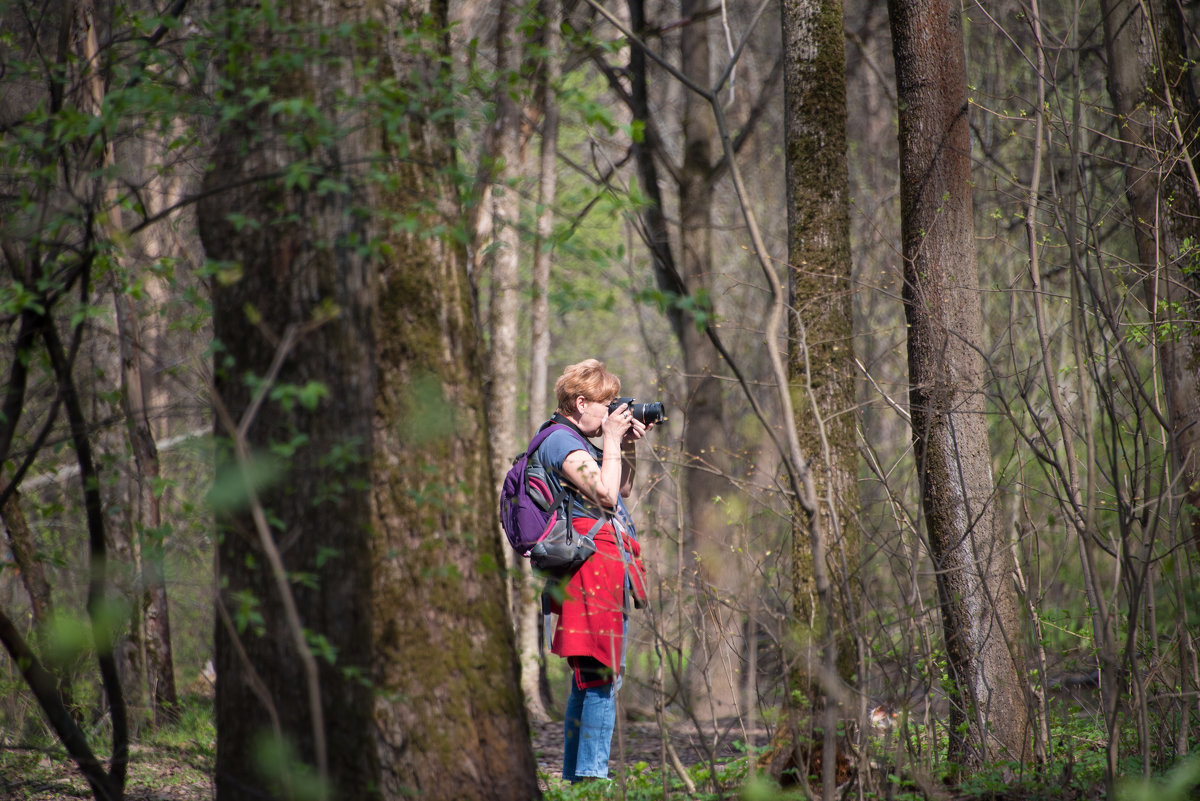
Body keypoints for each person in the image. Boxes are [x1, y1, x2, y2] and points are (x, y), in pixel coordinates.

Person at [535, 358, 650, 783]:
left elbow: (619, 491)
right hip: (589, 572)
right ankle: (591, 778)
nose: (613, 412)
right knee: (600, 674)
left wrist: (627, 444)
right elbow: (604, 496)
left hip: (597, 569)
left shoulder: (577, 443)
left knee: (593, 677)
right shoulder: (561, 443)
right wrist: (612, 441)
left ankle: (576, 780)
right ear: (580, 402)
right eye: (607, 404)